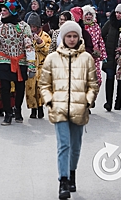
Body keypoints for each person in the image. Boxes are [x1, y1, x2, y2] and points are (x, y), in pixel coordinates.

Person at [39, 21, 99, 200]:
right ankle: (63, 180)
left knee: (76, 146)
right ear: (62, 37)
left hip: (79, 109)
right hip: (59, 109)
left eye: (74, 36)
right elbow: (44, 84)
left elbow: (93, 85)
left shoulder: (86, 58)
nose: (72, 39)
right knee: (63, 145)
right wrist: (50, 102)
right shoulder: (52, 59)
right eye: (68, 36)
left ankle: (72, 173)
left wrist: (87, 102)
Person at [0, 0, 36, 125]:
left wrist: (31, 66)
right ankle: (8, 113)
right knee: (4, 87)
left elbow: (29, 46)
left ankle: (18, 109)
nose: (2, 12)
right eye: (1, 10)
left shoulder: (24, 26)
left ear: (12, 11)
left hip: (20, 61)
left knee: (20, 87)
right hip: (3, 60)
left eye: (5, 10)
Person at [102, 3, 121, 112]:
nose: (118, 15)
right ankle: (108, 102)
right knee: (110, 78)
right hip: (110, 56)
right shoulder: (110, 23)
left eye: (120, 13)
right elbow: (101, 35)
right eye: (117, 12)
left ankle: (118, 102)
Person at [25, 13, 51, 119]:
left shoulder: (45, 36)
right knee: (30, 89)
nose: (32, 29)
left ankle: (40, 108)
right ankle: (33, 109)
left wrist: (40, 43)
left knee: (40, 89)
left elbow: (48, 51)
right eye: (30, 27)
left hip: (42, 67)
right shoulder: (26, 36)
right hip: (30, 66)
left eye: (34, 27)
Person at [82, 5, 107, 87]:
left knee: (97, 79)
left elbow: (100, 40)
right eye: (87, 14)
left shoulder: (96, 26)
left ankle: (93, 97)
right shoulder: (81, 27)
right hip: (83, 56)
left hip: (94, 56)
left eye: (90, 14)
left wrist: (103, 54)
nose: (88, 16)